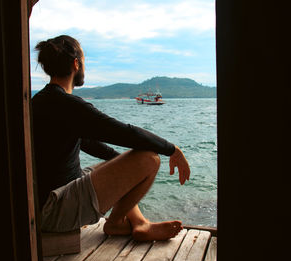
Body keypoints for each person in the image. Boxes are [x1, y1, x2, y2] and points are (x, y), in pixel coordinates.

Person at [32, 35, 190, 241]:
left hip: (47, 202)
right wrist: (172, 149)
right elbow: (123, 132)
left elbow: (88, 142)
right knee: (150, 159)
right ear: (76, 64)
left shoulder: (43, 100)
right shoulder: (67, 104)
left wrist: (124, 165)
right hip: (55, 208)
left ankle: (139, 222)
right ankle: (115, 223)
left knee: (125, 161)